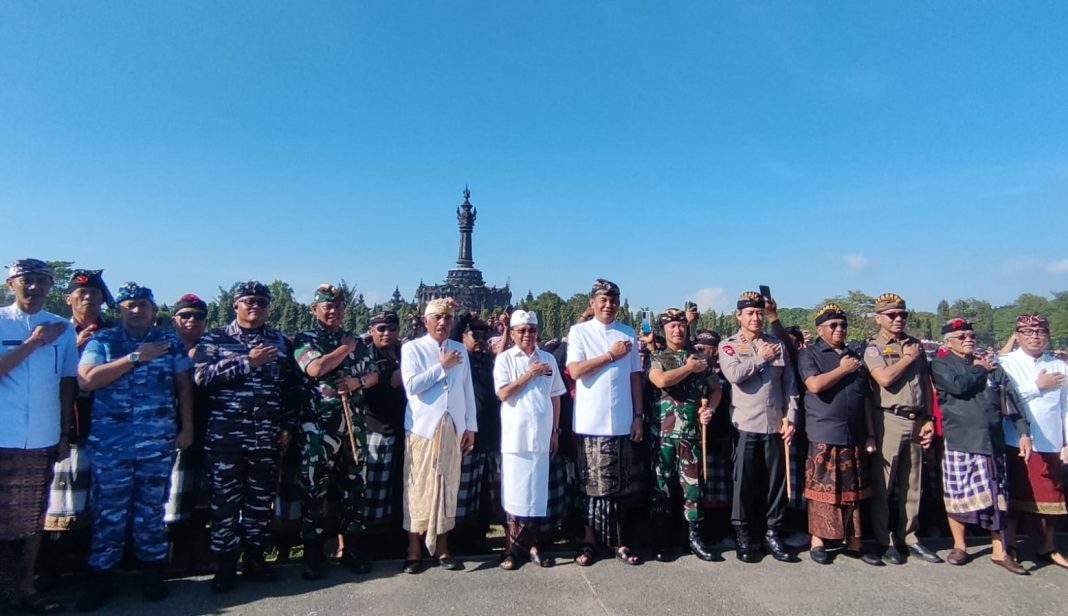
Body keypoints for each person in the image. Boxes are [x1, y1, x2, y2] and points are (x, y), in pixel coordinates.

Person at [75, 282, 194, 610]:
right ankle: (101, 577)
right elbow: (87, 379)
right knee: (108, 512)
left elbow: (183, 386)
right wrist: (134, 358)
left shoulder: (169, 342)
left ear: (155, 311)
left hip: (156, 443)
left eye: (143, 305)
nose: (137, 310)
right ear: (119, 310)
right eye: (130, 305)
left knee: (152, 510)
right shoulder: (104, 340)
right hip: (112, 445)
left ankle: (152, 573)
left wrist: (187, 427)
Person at [194, 281, 301, 592]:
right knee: (224, 505)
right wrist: (246, 362)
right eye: (248, 301)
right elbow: (201, 376)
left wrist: (287, 427)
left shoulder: (280, 341)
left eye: (262, 302)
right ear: (235, 305)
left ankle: (255, 557)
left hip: (266, 438)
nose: (255, 306)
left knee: (258, 503)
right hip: (226, 439)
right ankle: (225, 565)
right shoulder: (215, 338)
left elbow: (290, 388)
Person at [0, 259, 77, 614]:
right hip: (4, 434)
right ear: (11, 283)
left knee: (33, 519)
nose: (34, 287)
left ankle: (25, 588)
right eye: (27, 280)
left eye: (42, 281)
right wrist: (33, 343)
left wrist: (64, 432)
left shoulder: (62, 327)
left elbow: (66, 383)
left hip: (42, 437)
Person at [931, 317, 1031, 574]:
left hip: (991, 441)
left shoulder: (993, 366)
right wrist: (979, 369)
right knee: (956, 496)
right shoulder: (942, 364)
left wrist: (1023, 431)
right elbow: (957, 386)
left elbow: (1012, 399)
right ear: (948, 342)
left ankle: (1001, 550)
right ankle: (960, 546)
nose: (968, 340)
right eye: (962, 337)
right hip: (960, 439)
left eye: (971, 336)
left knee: (998, 499)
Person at [293, 284, 378, 579]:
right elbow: (315, 368)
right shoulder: (307, 338)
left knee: (354, 487)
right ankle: (313, 553)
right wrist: (344, 350)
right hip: (318, 427)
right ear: (315, 309)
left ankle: (352, 548)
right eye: (327, 306)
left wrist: (359, 383)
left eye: (339, 306)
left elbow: (373, 373)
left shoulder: (358, 340)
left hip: (352, 425)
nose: (334, 311)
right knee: (314, 488)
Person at [37, 270, 113, 590]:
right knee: (58, 503)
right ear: (68, 298)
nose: (89, 300)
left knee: (96, 502)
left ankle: (90, 568)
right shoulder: (54, 331)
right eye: (82, 295)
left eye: (95, 296)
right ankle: (50, 568)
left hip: (104, 428)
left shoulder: (113, 334)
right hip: (57, 427)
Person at [565, 279, 644, 566]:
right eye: (603, 300)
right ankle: (589, 541)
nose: (608, 305)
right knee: (590, 486)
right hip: (591, 421)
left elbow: (635, 376)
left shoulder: (628, 333)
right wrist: (610, 355)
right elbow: (575, 371)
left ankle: (619, 542)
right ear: (593, 303)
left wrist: (638, 416)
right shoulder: (579, 332)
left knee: (621, 487)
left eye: (613, 300)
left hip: (622, 420)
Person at [718, 291, 799, 563]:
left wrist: (792, 417)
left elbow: (788, 383)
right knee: (744, 483)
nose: (755, 318)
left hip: (775, 423)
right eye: (749, 313)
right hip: (745, 424)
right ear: (738, 316)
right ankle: (744, 535)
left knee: (776, 483)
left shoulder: (777, 344)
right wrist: (761, 358)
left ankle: (772, 532)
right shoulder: (729, 345)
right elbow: (735, 375)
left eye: (759, 313)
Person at [797, 304, 879, 566]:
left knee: (853, 489)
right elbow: (814, 385)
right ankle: (818, 540)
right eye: (832, 325)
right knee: (822, 489)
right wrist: (843, 369)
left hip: (854, 432)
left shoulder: (855, 356)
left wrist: (870, 434)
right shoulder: (810, 354)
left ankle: (854, 540)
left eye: (842, 325)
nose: (839, 329)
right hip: (824, 430)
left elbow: (865, 398)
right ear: (820, 329)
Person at [400, 298, 477, 574]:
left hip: (453, 426)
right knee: (419, 487)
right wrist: (441, 367)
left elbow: (467, 389)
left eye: (448, 318)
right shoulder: (413, 349)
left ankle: (443, 548)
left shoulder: (459, 349)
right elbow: (411, 386)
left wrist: (470, 426)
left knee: (447, 486)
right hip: (423, 428)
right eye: (437, 318)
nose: (443, 323)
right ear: (426, 321)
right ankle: (414, 550)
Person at [864, 293, 941, 565]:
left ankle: (909, 536)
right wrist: (907, 359)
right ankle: (884, 540)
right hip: (888, 418)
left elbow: (925, 383)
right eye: (892, 315)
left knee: (913, 483)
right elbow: (883, 378)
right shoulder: (874, 347)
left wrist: (929, 418)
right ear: (879, 318)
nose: (898, 319)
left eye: (902, 315)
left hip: (916, 418)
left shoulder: (915, 344)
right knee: (884, 483)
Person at [493, 310, 566, 570]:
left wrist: (555, 431)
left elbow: (556, 396)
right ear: (512, 333)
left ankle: (533, 545)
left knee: (535, 495)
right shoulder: (504, 359)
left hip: (542, 436)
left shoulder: (547, 359)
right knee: (513, 495)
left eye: (531, 330)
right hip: (516, 438)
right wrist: (529, 374)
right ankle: (510, 548)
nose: (527, 335)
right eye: (521, 330)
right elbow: (503, 393)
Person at [646, 309, 721, 562]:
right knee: (661, 487)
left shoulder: (699, 357)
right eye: (671, 326)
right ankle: (662, 539)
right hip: (663, 435)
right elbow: (661, 381)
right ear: (664, 330)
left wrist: (709, 409)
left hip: (691, 434)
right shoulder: (657, 356)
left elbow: (716, 388)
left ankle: (694, 538)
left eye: (681, 325)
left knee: (693, 488)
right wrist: (689, 368)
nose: (677, 330)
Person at [999, 313, 1068, 570]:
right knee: (1015, 497)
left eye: (1040, 332)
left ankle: (1048, 546)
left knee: (1053, 499)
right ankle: (1011, 545)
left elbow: (1066, 408)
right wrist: (1037, 386)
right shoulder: (1005, 363)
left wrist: (1067, 441)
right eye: (1028, 332)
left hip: (1051, 440)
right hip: (1015, 439)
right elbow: (1005, 400)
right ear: (1017, 336)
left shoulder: (1060, 366)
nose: (1034, 337)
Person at [164, 294, 212, 575]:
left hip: (208, 430)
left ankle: (193, 552)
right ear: (174, 320)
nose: (192, 320)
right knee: (170, 499)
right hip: (165, 432)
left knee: (201, 498)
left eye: (198, 316)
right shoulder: (161, 347)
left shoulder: (214, 347)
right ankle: (169, 556)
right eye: (186, 315)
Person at [449, 315, 501, 553]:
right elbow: (450, 339)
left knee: (484, 494)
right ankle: (458, 538)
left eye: (483, 336)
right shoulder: (460, 361)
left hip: (490, 436)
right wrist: (464, 319)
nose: (480, 340)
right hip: (468, 436)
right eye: (474, 335)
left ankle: (480, 536)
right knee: (463, 493)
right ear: (463, 337)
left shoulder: (491, 362)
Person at [361, 311, 406, 542]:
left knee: (400, 485)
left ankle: (395, 537)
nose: (387, 333)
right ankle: (371, 541)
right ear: (371, 331)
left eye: (392, 328)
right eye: (381, 329)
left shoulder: (404, 353)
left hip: (403, 428)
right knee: (375, 490)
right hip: (376, 428)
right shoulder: (366, 355)